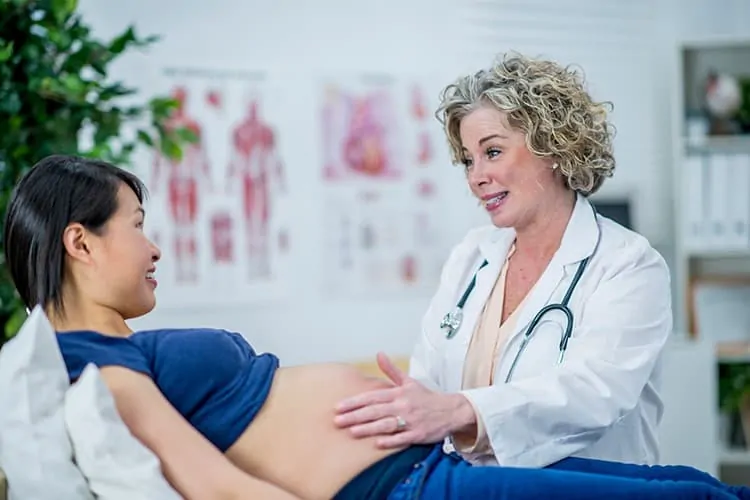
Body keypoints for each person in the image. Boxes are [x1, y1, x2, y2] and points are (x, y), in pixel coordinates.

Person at [4, 159, 748, 500]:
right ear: (80, 242)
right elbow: (218, 490)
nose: (155, 246)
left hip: (425, 466)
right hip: (405, 487)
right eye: (138, 226)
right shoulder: (92, 363)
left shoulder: (111, 351)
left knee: (685, 483)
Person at [333, 51, 673, 469]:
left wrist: (462, 411)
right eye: (467, 160)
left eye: (492, 152)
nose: (476, 176)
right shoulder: (471, 257)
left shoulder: (628, 265)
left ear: (552, 146)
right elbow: (430, 385)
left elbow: (597, 392)